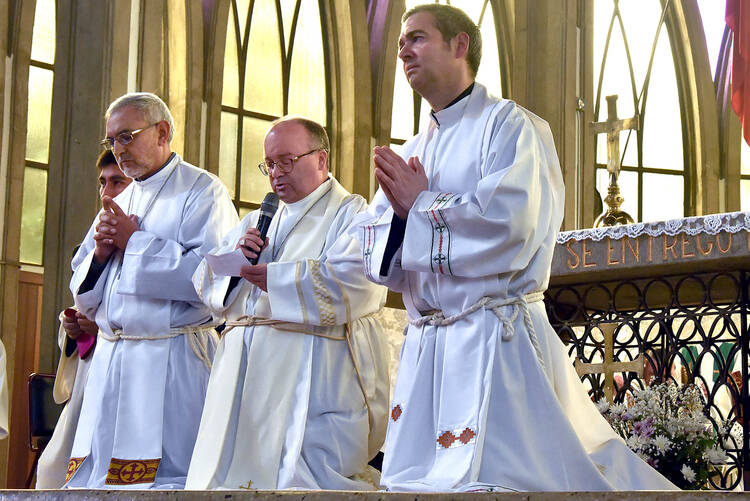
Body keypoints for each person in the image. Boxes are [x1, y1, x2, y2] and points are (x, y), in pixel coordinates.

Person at [353, 4, 677, 492]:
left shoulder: (511, 127)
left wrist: (419, 206)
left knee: (503, 482)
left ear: (460, 45)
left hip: (491, 338)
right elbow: (377, 248)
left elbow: (510, 226)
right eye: (401, 42)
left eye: (416, 38)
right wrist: (406, 213)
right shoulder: (415, 145)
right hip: (430, 353)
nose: (403, 50)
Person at [187, 116, 389, 490]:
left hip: (311, 367)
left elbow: (359, 282)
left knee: (297, 476)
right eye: (269, 164)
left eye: (286, 161)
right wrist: (237, 260)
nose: (276, 173)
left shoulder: (351, 214)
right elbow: (206, 281)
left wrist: (279, 280)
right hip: (244, 371)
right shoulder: (258, 218)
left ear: (321, 159)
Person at [57, 92, 238, 489]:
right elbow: (82, 290)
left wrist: (134, 242)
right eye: (111, 141)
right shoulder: (122, 196)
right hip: (113, 360)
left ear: (163, 132)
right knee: (102, 478)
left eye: (126, 137)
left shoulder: (203, 192)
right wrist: (103, 255)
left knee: (166, 479)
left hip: (171, 358)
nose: (118, 150)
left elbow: (212, 277)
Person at [36, 150, 133, 488]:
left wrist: (106, 324)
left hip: (137, 363)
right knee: (55, 468)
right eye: (102, 183)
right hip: (95, 367)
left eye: (117, 182)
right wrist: (77, 330)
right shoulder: (96, 230)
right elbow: (83, 296)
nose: (107, 194)